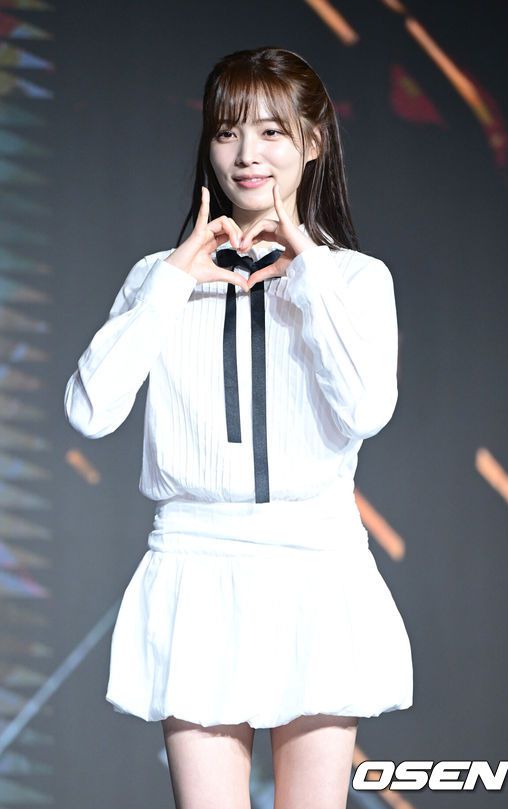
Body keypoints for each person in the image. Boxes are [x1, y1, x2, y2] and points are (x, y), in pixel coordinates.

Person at [64, 45, 413, 809]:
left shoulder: (354, 279)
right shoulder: (158, 277)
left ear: (313, 142)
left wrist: (308, 269)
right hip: (195, 566)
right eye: (228, 131)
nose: (247, 154)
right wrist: (170, 284)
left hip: (316, 567)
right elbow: (90, 411)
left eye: (272, 132)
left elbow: (366, 410)